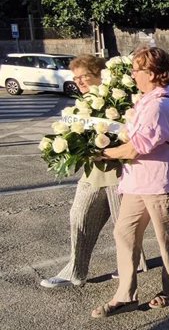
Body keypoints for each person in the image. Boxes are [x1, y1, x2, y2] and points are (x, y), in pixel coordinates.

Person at [91, 47, 169, 318]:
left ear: (155, 74)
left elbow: (136, 148)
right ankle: (125, 294)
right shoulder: (146, 100)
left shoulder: (159, 104)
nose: (133, 75)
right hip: (137, 183)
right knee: (124, 233)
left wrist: (103, 153)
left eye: (137, 70)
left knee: (168, 238)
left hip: (160, 183)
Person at [41, 55, 147, 289]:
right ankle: (75, 271)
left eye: (85, 76)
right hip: (93, 174)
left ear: (101, 75)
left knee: (125, 227)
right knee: (78, 217)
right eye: (76, 77)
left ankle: (132, 265)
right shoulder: (81, 104)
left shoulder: (119, 102)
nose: (79, 81)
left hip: (122, 173)